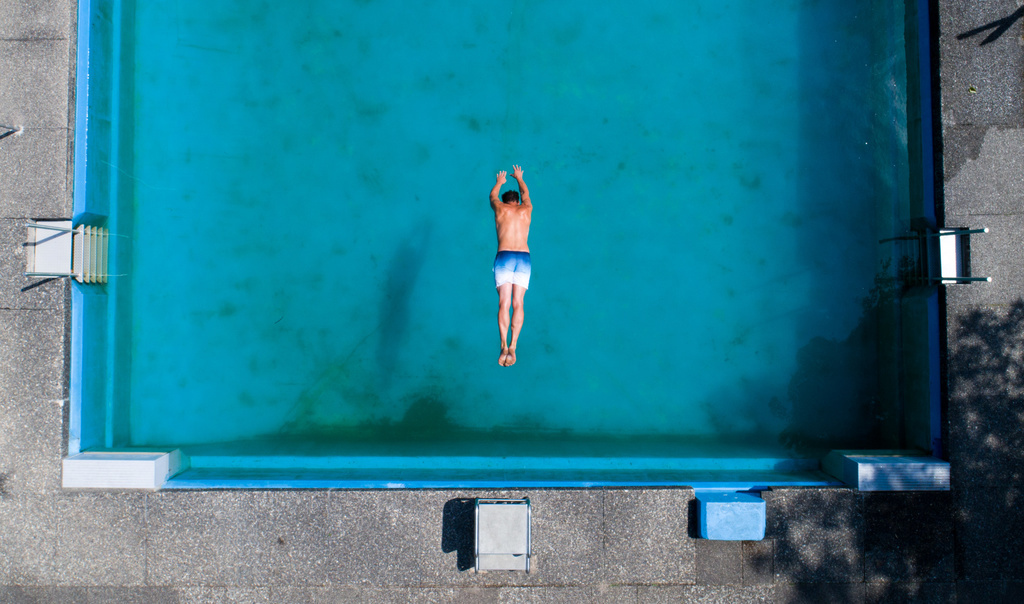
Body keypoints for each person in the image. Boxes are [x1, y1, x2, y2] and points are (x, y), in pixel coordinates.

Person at [489, 164, 532, 367]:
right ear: (517, 202)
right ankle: (514, 346)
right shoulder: (527, 209)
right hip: (523, 257)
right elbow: (526, 193)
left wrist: (500, 181)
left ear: (506, 202)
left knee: (504, 303)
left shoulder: (500, 208)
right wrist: (519, 178)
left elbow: (492, 196)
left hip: (504, 256)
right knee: (518, 304)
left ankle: (503, 345)